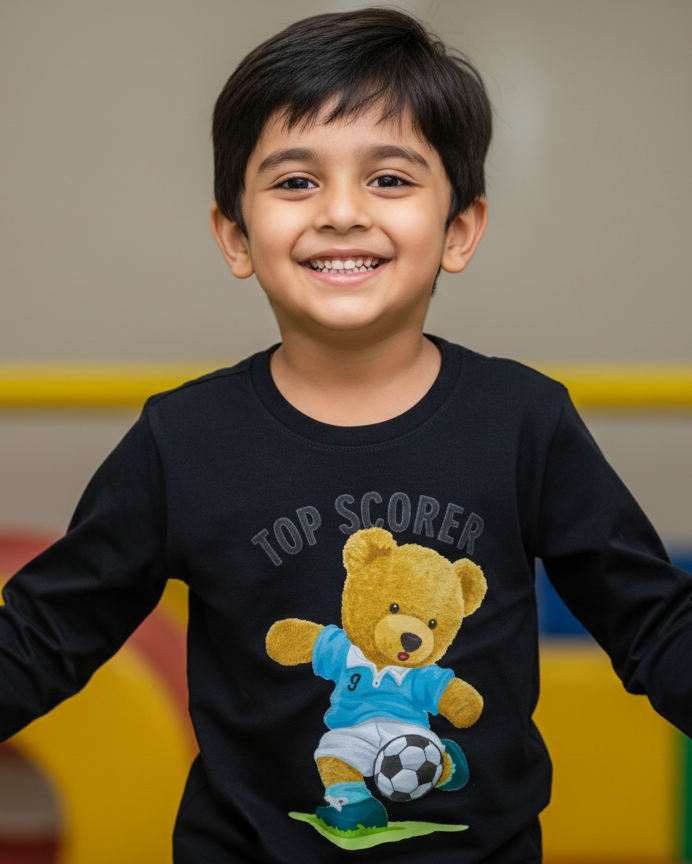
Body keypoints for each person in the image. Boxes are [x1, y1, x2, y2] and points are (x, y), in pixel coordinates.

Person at [1, 7, 690, 863]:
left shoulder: (524, 421)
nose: (339, 212)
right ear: (235, 235)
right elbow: (40, 637)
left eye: (390, 179)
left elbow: (655, 623)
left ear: (460, 230)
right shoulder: (183, 440)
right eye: (294, 181)